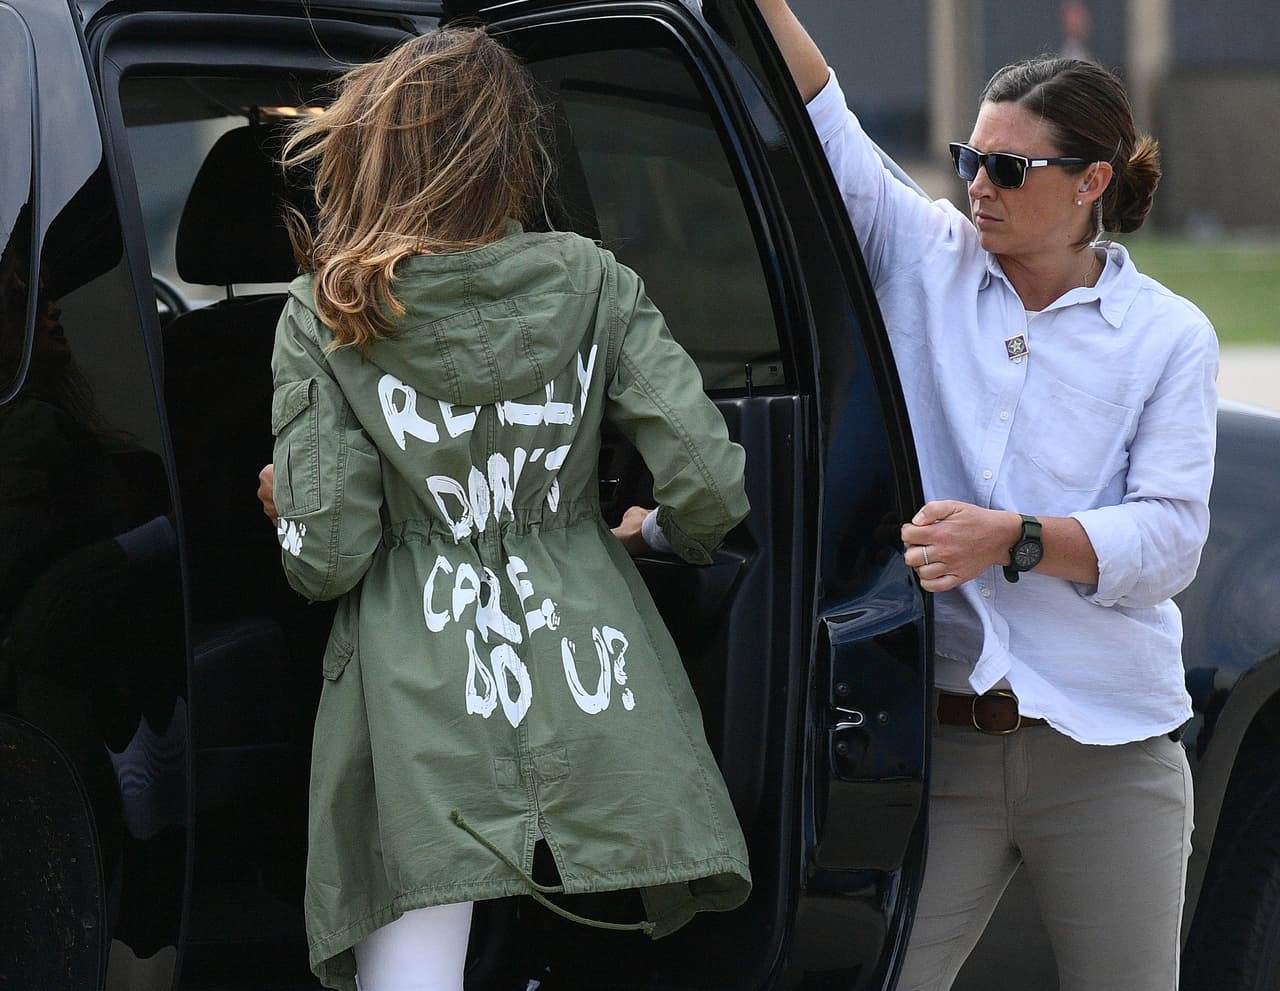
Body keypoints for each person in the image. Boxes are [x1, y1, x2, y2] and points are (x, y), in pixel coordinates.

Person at [260, 27, 751, 991]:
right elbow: (711, 490)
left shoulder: (326, 309)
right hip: (593, 679)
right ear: (509, 150)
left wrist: (288, 506)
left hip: (418, 703)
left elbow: (327, 558)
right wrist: (658, 533)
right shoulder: (593, 280)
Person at [754, 4, 1217, 990]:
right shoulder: (922, 254)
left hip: (1108, 750)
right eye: (970, 154)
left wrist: (1009, 538)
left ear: (1090, 182)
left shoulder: (1165, 336)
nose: (975, 183)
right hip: (942, 746)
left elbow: (1170, 540)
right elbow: (817, 101)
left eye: (1007, 168)